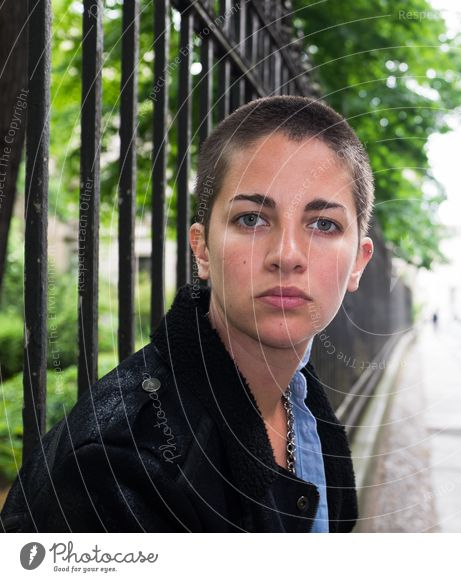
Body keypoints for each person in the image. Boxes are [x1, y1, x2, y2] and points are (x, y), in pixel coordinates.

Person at [0, 95, 375, 532]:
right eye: (252, 219)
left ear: (358, 263)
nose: (286, 255)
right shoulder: (119, 466)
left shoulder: (301, 404)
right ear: (202, 249)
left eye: (323, 224)